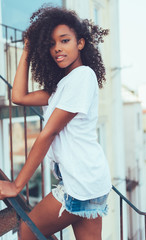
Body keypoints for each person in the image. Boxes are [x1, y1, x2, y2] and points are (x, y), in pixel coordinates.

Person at [0, 5, 112, 240]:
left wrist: (17, 185)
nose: (58, 48)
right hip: (91, 181)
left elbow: (48, 132)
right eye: (51, 44)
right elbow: (18, 97)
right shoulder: (66, 85)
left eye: (64, 40)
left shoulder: (82, 77)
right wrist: (28, 48)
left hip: (80, 185)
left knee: (28, 231)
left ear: (80, 43)